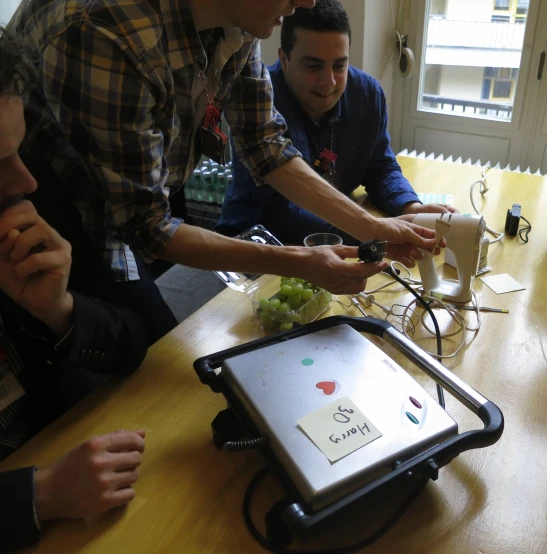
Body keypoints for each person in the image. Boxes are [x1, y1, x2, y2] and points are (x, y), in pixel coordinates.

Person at [8, 0, 440, 343]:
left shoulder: (240, 17)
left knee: (151, 343)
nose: (305, 0)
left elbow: (266, 146)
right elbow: (150, 228)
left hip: (130, 203)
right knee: (142, 355)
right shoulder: (105, 31)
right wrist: (300, 262)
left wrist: (371, 228)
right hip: (54, 214)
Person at [0, 30, 149, 551]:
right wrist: (37, 496)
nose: (24, 180)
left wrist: (61, 311)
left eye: (16, 152)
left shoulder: (23, 205)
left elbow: (132, 340)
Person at [216, 0, 456, 244]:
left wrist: (409, 206)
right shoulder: (257, 100)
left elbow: (380, 168)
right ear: (284, 59)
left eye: (340, 65)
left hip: (339, 240)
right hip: (253, 245)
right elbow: (283, 212)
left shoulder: (367, 94)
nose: (328, 81)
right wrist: (371, 230)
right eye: (313, 66)